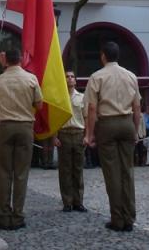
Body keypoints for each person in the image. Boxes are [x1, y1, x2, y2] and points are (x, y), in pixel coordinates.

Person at [84, 41, 142, 233]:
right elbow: (137, 107)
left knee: (112, 173)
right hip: (126, 122)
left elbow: (92, 108)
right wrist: (135, 130)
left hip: (107, 123)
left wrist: (90, 134)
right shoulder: (131, 75)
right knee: (127, 171)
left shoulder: (97, 76)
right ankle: (129, 216)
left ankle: (117, 218)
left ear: (103, 56)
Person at [0, 46, 43, 230]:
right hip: (24, 126)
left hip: (5, 125)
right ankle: (18, 215)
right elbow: (39, 103)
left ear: (6, 61)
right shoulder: (31, 78)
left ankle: (3, 215)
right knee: (21, 173)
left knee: (3, 172)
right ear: (20, 59)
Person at [53, 71, 88, 212]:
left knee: (78, 169)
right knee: (65, 170)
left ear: (76, 81)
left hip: (78, 133)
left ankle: (78, 201)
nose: (70, 78)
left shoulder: (82, 97)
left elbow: (86, 117)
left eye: (72, 76)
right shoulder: (59, 98)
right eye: (67, 76)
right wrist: (54, 137)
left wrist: (87, 135)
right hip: (64, 134)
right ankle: (67, 202)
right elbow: (54, 119)